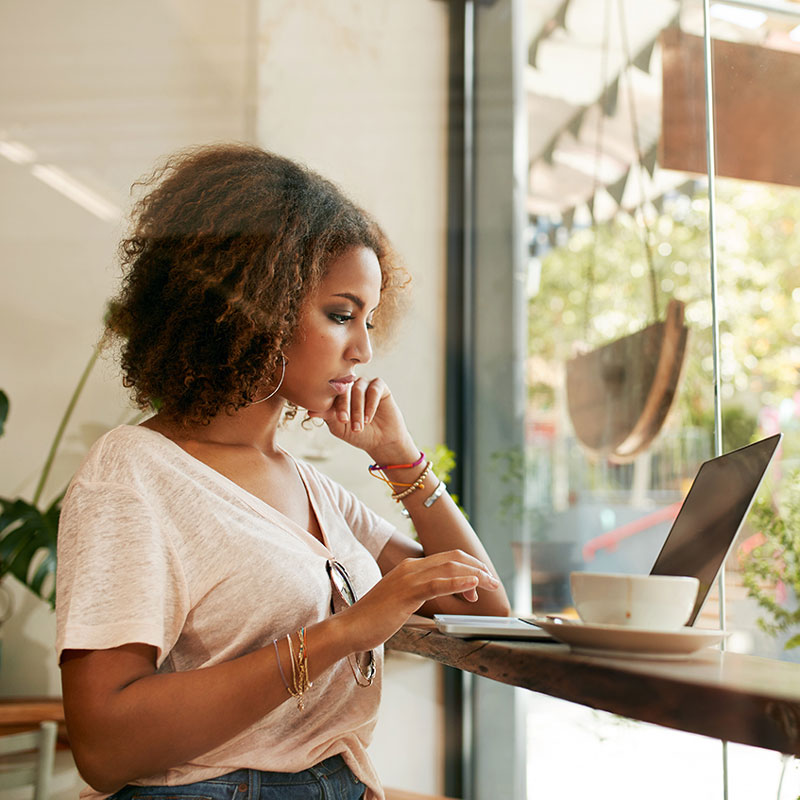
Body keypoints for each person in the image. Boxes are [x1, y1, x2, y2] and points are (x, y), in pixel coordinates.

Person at [56, 143, 510, 800]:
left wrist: (400, 457)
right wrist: (346, 631)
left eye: (370, 319)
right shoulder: (133, 474)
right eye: (340, 313)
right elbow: (105, 748)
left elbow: (485, 609)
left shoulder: (312, 488)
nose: (365, 348)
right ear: (252, 306)